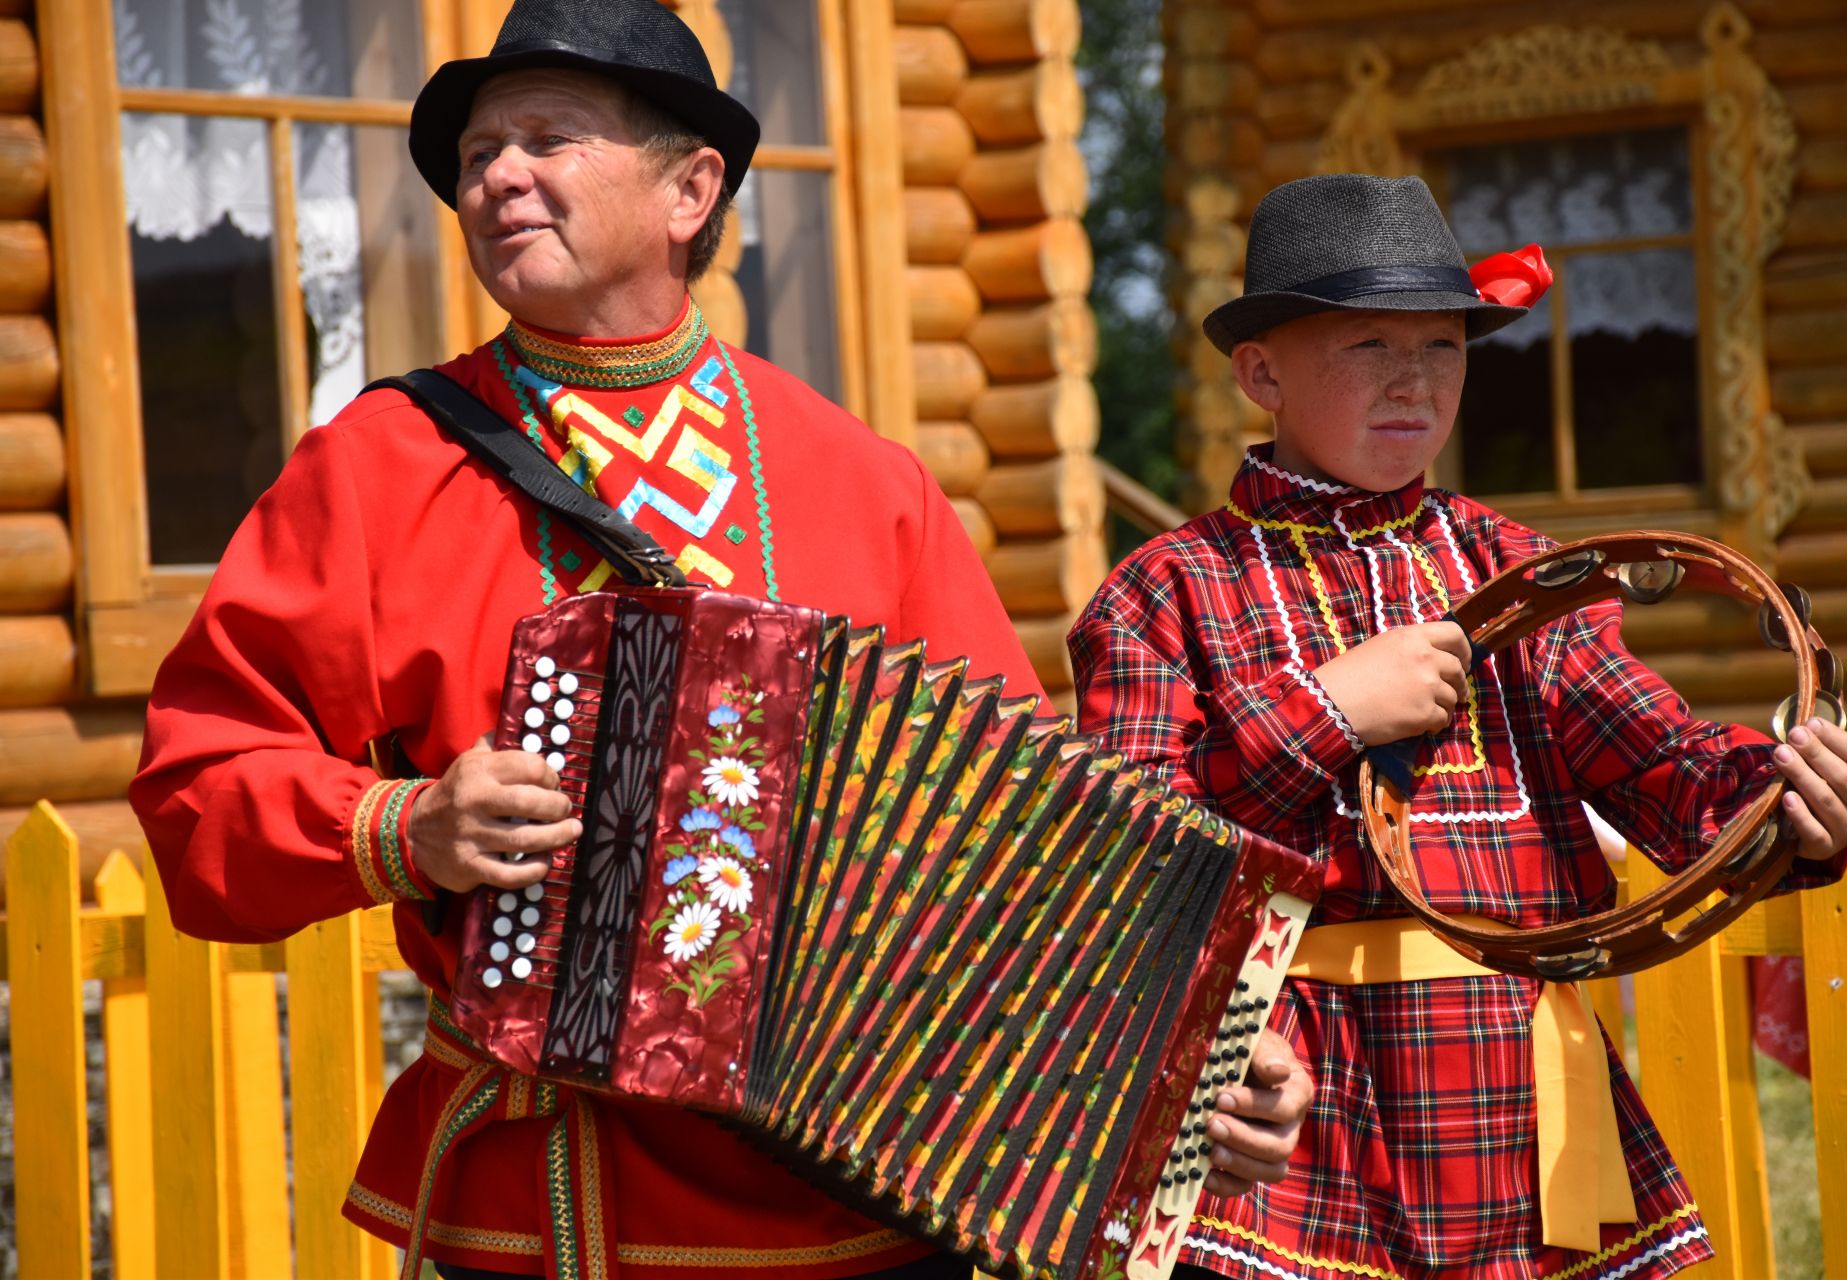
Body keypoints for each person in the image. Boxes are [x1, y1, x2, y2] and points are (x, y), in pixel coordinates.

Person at [131, 3, 1309, 1277]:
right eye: (478, 154)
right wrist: (402, 828)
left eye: (547, 139)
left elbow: (1034, 853)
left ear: (691, 187)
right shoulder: (376, 468)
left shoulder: (863, 480)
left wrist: (1199, 1051)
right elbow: (200, 787)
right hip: (552, 1216)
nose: (496, 178)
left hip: (868, 1213)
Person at [1068, 173, 1847, 1280]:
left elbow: (1663, 764)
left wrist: (1791, 799)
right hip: (1282, 1111)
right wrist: (1327, 712)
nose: (1415, 381)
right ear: (1261, 370)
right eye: (1369, 345)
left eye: (1445, 348)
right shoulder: (1161, 591)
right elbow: (1130, 862)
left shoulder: (1518, 572)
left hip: (1517, 1103)